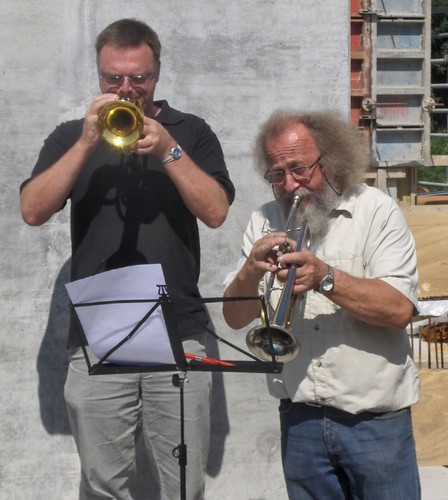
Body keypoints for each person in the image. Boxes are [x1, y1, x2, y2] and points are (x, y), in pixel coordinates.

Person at [20, 18, 234, 500]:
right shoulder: (71, 136)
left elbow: (216, 212)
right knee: (103, 485)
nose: (126, 89)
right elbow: (32, 211)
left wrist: (169, 149)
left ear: (157, 72)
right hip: (99, 331)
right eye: (112, 78)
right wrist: (85, 142)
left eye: (139, 78)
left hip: (179, 328)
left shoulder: (191, 132)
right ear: (99, 74)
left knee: (184, 486)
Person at [222, 109, 421, 499]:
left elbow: (399, 310)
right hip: (300, 420)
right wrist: (250, 271)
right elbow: (233, 317)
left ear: (331, 162)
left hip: (375, 424)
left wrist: (325, 278)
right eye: (277, 174)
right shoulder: (264, 220)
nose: (289, 185)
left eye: (299, 169)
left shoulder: (375, 211)